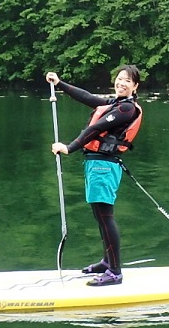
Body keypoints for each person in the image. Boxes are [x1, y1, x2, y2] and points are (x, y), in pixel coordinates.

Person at [47, 66, 143, 286]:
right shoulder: (115, 103)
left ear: (135, 86)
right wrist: (59, 84)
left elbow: (96, 128)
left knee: (105, 217)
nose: (121, 83)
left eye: (127, 81)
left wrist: (68, 147)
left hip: (104, 167)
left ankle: (115, 272)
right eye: (119, 78)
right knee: (100, 216)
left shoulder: (126, 108)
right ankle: (108, 261)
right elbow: (87, 97)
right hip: (96, 164)